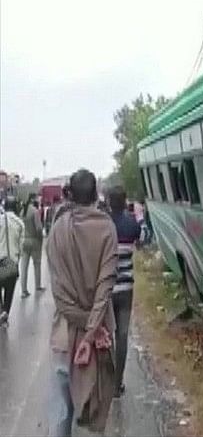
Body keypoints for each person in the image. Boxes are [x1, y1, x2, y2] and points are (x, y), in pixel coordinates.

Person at [46, 169, 117, 437]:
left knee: (61, 415)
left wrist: (82, 328)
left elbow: (60, 296)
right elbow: (105, 286)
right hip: (98, 342)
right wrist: (93, 331)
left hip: (64, 339)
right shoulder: (107, 228)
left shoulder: (57, 230)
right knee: (95, 411)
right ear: (96, 194)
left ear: (71, 196)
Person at [107, 185, 141, 397]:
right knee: (122, 335)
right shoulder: (131, 224)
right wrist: (139, 216)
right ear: (125, 200)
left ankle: (107, 378)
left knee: (107, 335)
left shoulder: (104, 224)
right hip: (126, 289)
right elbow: (144, 240)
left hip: (107, 289)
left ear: (109, 202)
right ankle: (118, 384)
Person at [0, 197, 24, 327]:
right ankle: (5, 314)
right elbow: (20, 247)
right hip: (12, 263)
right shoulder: (20, 223)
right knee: (9, 291)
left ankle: (1, 311)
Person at [20, 193, 44, 297]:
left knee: (24, 267)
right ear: (32, 199)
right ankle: (37, 286)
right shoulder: (35, 211)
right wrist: (40, 239)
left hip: (24, 240)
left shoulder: (22, 212)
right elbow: (38, 228)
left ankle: (24, 290)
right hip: (34, 240)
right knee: (37, 264)